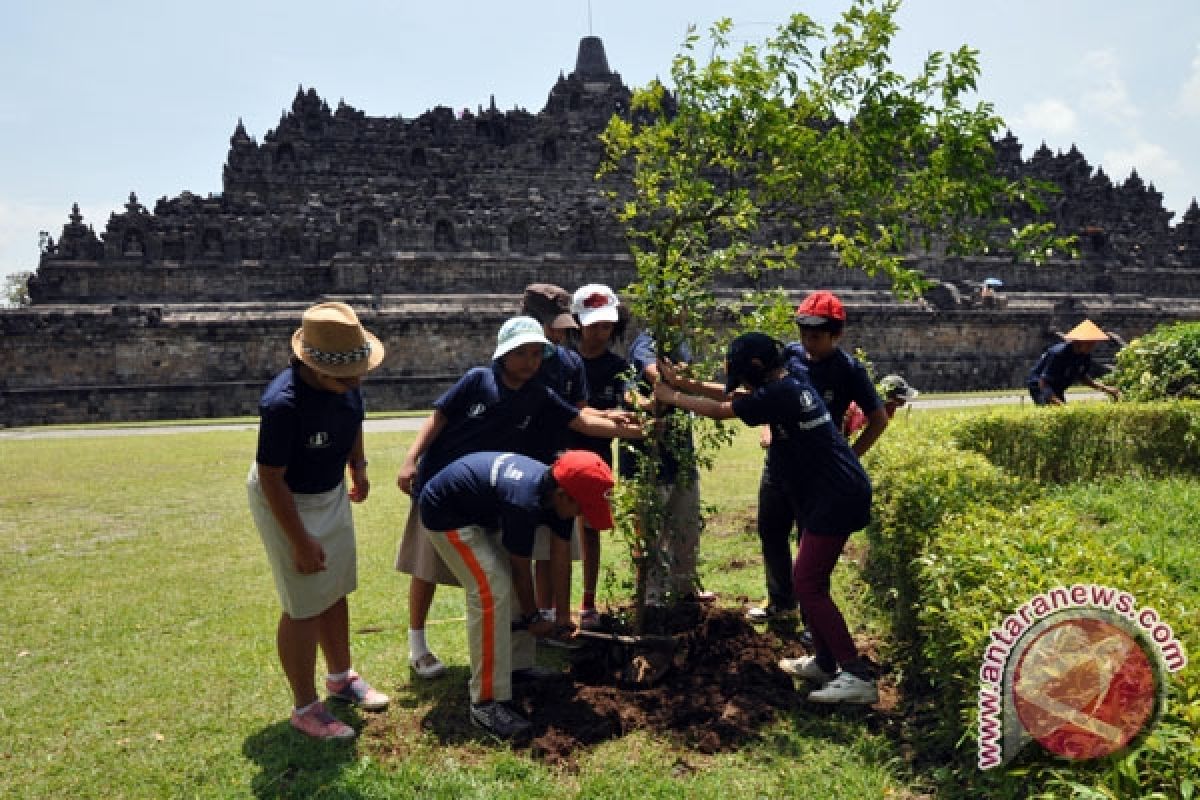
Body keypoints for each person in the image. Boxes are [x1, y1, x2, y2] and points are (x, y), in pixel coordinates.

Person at [395, 316, 640, 679]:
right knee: (426, 568)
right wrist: (410, 459)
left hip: (490, 494)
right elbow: (438, 418)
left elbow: (580, 420)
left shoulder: (538, 393)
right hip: (442, 484)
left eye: (537, 354)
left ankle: (514, 661)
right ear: (503, 353)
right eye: (522, 353)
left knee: (495, 576)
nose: (530, 362)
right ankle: (418, 644)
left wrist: (636, 430)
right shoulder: (479, 380)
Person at [655, 333, 879, 704]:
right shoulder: (790, 376)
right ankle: (824, 663)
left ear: (757, 368)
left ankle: (857, 674)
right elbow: (735, 397)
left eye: (743, 376)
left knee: (808, 585)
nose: (741, 385)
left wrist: (673, 397)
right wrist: (683, 382)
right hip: (828, 489)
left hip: (837, 495)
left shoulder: (781, 393)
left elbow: (723, 410)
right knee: (808, 581)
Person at [246, 301, 390, 740]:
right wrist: (300, 540)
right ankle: (305, 707)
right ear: (311, 366)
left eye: (358, 375)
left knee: (336, 587)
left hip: (328, 490)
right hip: (287, 498)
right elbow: (272, 480)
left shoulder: (347, 380)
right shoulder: (283, 404)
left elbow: (355, 420)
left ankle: (341, 678)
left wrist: (359, 468)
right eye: (343, 379)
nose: (354, 384)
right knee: (304, 600)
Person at [418, 450, 616, 738]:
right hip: (446, 513)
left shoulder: (557, 493)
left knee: (505, 585)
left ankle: (516, 668)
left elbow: (560, 557)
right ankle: (484, 702)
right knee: (492, 589)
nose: (582, 516)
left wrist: (562, 616)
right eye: (582, 508)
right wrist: (533, 618)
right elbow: (521, 569)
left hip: (481, 513)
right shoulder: (524, 501)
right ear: (563, 496)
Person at [747, 290, 887, 622]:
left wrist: (849, 457)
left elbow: (878, 419)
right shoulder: (788, 357)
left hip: (816, 476)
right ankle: (781, 602)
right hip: (779, 465)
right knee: (771, 533)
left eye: (817, 336)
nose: (809, 342)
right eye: (804, 333)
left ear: (836, 334)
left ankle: (813, 618)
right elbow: (768, 396)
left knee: (808, 544)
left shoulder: (849, 370)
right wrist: (767, 428)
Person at [622, 325, 708, 605]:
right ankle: (651, 598)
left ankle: (685, 591)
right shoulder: (646, 342)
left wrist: (680, 381)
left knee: (686, 528)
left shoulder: (680, 341)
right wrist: (653, 401)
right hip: (649, 457)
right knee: (651, 535)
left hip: (680, 456)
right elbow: (645, 378)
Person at [520, 284, 588, 631]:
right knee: (521, 546)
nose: (561, 334)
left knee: (560, 540)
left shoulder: (570, 361)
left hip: (559, 464)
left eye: (564, 326)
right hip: (520, 468)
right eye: (554, 326)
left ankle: (558, 616)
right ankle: (530, 615)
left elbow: (579, 412)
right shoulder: (516, 366)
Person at [567, 284, 630, 628]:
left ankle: (587, 602)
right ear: (577, 323)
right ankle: (551, 606)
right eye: (593, 326)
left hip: (597, 458)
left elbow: (627, 401)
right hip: (561, 454)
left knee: (590, 529)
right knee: (556, 530)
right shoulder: (565, 361)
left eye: (606, 326)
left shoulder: (617, 367)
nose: (599, 333)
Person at [1027, 319, 1121, 406]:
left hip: (1058, 383)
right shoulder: (1058, 353)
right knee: (1052, 408)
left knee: (1061, 411)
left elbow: (1082, 376)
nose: (1092, 346)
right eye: (1089, 342)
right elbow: (1043, 382)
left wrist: (1107, 389)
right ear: (1078, 341)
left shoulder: (1084, 355)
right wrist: (1059, 403)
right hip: (1039, 385)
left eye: (1093, 342)